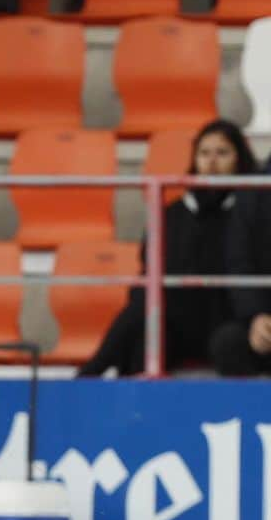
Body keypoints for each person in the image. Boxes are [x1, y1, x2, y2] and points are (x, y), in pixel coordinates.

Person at [80, 119, 254, 377]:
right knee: (142, 321)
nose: (212, 162)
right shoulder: (171, 213)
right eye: (204, 153)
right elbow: (147, 270)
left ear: (239, 160)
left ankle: (86, 377)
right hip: (179, 322)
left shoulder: (252, 212)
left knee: (148, 314)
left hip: (227, 320)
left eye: (222, 153)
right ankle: (122, 403)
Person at [209, 162, 271, 376]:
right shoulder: (252, 188)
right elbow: (239, 261)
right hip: (265, 317)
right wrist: (257, 315)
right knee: (228, 342)